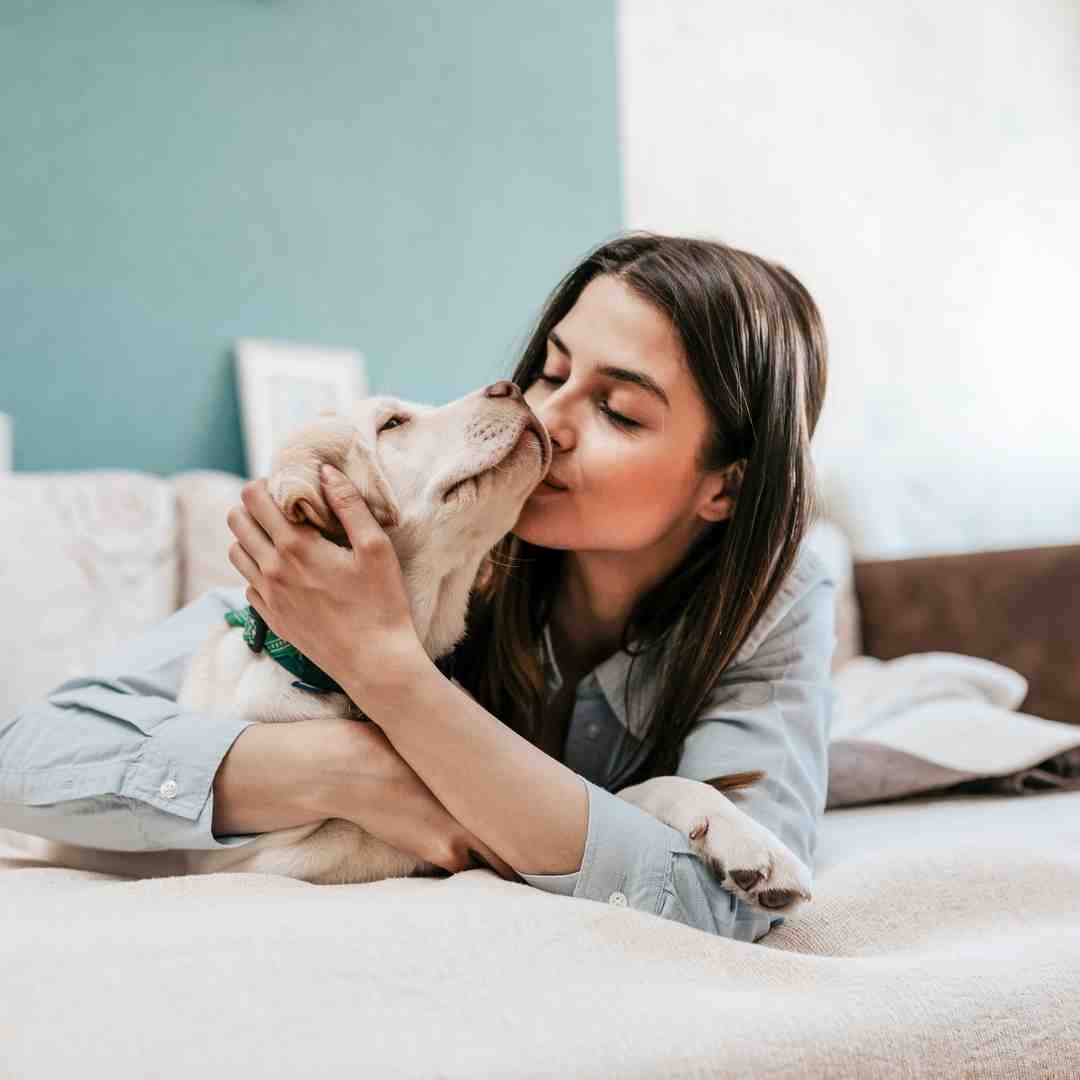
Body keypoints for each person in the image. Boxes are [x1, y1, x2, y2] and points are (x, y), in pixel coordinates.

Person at [0, 232, 837, 942]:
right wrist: (348, 767)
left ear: (725, 487)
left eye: (618, 411)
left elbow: (719, 902)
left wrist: (390, 676)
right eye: (552, 372)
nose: (548, 419)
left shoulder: (776, 597)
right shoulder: (415, 544)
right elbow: (24, 758)